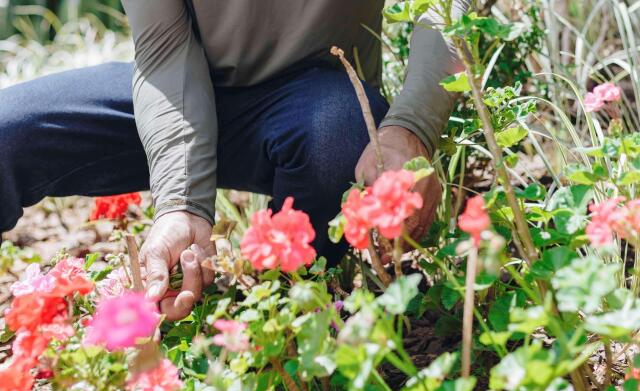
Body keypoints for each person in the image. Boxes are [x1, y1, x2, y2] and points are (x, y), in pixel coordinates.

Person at [0, 0, 468, 320]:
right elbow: (164, 50)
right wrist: (181, 205)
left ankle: (286, 312)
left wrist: (410, 129)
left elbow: (446, 7)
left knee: (338, 137)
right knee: (8, 131)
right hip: (177, 90)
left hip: (315, 102)